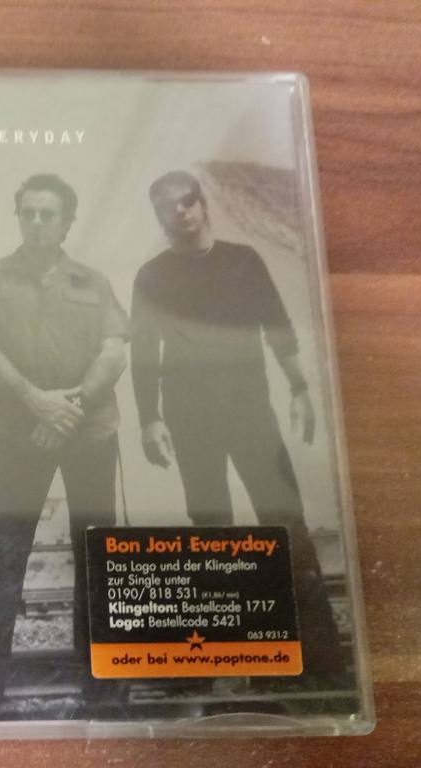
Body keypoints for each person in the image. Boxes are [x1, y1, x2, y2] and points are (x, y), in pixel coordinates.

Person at [130, 170, 345, 685]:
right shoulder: (152, 276)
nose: (179, 211)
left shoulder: (244, 261)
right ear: (158, 216)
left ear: (202, 203)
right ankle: (231, 666)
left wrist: (299, 389)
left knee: (287, 525)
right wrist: (149, 420)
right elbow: (143, 354)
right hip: (189, 420)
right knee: (212, 537)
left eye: (186, 200)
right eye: (166, 206)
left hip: (251, 413)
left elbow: (279, 330)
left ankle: (324, 669)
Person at [0, 173, 130, 718]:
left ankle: (104, 692)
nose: (35, 222)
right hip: (22, 436)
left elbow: (114, 351)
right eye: (26, 212)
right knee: (4, 557)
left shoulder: (93, 282)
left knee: (98, 553)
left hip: (89, 434)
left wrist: (69, 406)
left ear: (66, 222)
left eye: (46, 214)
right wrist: (37, 401)